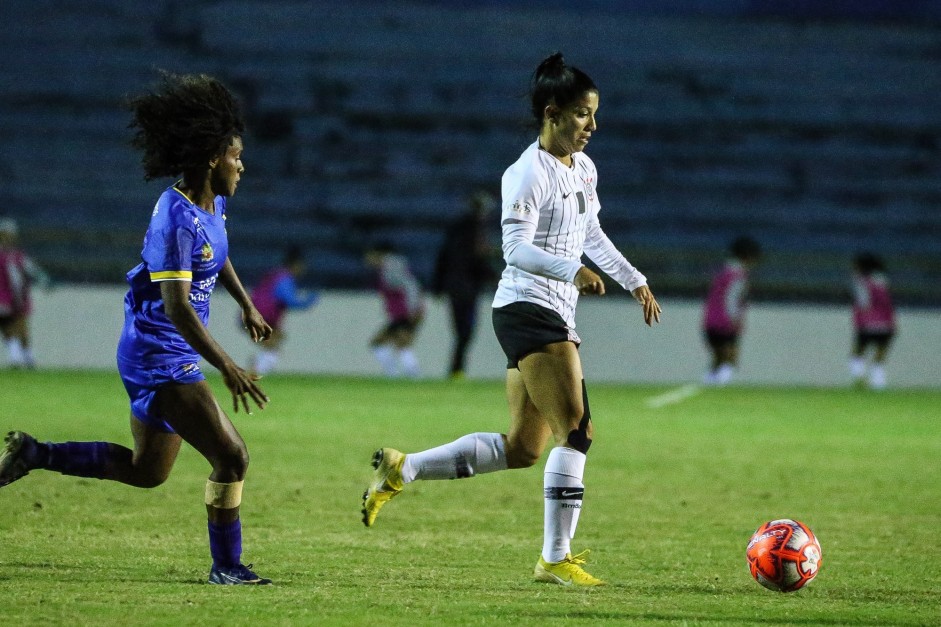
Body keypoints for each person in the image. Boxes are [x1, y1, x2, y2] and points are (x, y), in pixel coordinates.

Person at [361, 53, 661, 587]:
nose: (593, 126)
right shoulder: (525, 174)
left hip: (542, 308)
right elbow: (514, 249)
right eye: (582, 115)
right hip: (529, 307)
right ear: (552, 112)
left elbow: (591, 234)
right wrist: (571, 271)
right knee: (578, 431)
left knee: (525, 448)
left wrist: (632, 278)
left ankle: (402, 468)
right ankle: (554, 558)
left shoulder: (583, 168)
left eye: (594, 115)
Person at [0, 72, 274, 585]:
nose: (243, 165)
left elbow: (219, 255)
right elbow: (177, 308)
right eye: (236, 156)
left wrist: (245, 303)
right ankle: (228, 567)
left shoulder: (213, 203)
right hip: (160, 353)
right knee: (232, 455)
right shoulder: (174, 218)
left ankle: (35, 453)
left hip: (160, 349)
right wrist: (228, 366)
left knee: (148, 472)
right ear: (214, 157)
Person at [432, 190, 498, 379]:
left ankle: (456, 369)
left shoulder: (456, 230)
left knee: (461, 330)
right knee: (466, 331)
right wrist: (494, 277)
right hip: (467, 287)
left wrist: (438, 285)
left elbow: (443, 257)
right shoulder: (476, 231)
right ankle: (457, 370)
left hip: (454, 286)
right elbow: (475, 260)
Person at [247, 245, 318, 375]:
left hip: (253, 316)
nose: (303, 269)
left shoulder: (275, 275)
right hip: (261, 318)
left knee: (274, 344)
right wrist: (308, 301)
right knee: (273, 347)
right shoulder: (284, 278)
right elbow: (288, 300)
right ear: (296, 264)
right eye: (302, 265)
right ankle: (252, 375)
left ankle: (255, 368)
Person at [701, 236, 761, 386]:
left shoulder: (722, 272)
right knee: (730, 358)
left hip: (710, 321)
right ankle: (719, 386)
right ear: (748, 256)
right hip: (725, 322)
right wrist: (734, 319)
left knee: (718, 358)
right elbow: (732, 299)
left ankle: (708, 383)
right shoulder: (738, 276)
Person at [364, 242, 426, 378]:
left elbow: (411, 286)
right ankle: (397, 374)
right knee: (383, 343)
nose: (367, 260)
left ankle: (410, 375)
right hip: (402, 312)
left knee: (397, 343)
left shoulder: (391, 268)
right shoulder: (390, 267)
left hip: (406, 312)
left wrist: (413, 308)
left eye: (369, 256)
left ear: (378, 254)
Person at [0, 218, 50, 368]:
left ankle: (23, 357)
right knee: (12, 325)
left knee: (16, 326)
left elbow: (31, 271)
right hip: (8, 298)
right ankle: (23, 357)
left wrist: (44, 281)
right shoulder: (11, 256)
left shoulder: (16, 256)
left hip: (14, 298)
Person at [849, 252, 896, 389]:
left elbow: (864, 303)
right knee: (880, 356)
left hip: (868, 322)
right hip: (886, 323)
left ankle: (859, 380)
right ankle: (878, 384)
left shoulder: (861, 281)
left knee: (857, 352)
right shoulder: (882, 280)